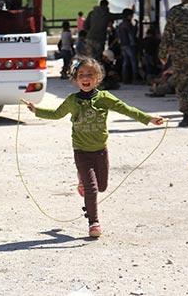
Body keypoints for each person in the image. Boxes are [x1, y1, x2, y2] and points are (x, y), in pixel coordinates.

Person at [22, 58, 163, 238]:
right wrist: (37, 110)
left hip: (100, 150)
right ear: (75, 79)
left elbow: (126, 109)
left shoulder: (104, 98)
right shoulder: (72, 100)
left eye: (90, 74)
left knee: (102, 186)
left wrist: (149, 119)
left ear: (98, 78)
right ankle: (93, 222)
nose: (85, 78)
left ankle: (82, 181)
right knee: (92, 189)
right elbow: (57, 114)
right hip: (81, 151)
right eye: (81, 75)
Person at [117, 8, 140, 84]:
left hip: (123, 45)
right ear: (128, 16)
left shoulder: (120, 25)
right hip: (130, 45)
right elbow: (132, 34)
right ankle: (135, 79)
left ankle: (125, 79)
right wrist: (136, 26)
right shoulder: (128, 24)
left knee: (125, 62)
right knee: (134, 62)